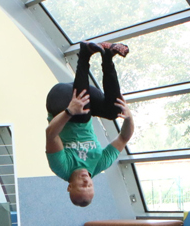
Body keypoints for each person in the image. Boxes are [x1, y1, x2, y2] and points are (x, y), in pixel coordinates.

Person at [45, 41, 135, 207]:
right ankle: (108, 57)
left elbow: (51, 134)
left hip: (60, 100)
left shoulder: (61, 167)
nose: (87, 181)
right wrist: (129, 117)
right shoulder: (99, 164)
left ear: (70, 187)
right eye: (90, 186)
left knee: (81, 114)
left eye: (82, 186)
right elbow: (123, 138)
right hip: (86, 98)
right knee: (115, 111)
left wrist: (69, 111)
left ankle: (84, 55)